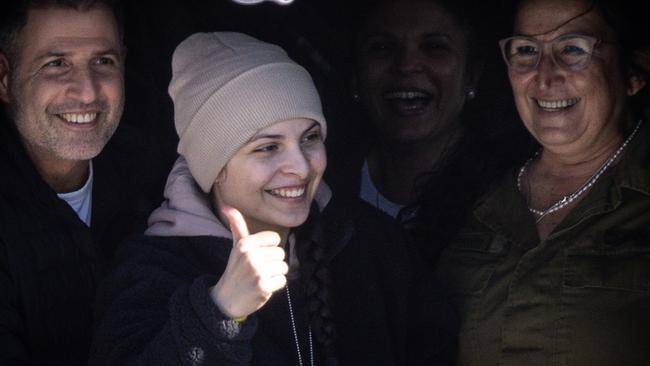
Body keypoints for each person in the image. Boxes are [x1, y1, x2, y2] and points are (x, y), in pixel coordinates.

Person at [91, 32, 456, 366]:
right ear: (213, 166)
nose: (300, 166)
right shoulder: (150, 269)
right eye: (267, 147)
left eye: (310, 138)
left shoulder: (372, 243)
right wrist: (221, 311)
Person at [435, 0, 650, 364]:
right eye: (526, 50)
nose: (545, 75)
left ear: (634, 72)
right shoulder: (469, 189)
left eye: (572, 49)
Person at [0, 1, 166, 364]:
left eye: (102, 62)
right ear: (4, 77)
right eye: (57, 64)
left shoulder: (154, 173)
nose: (88, 92)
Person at [326, 0, 525, 263]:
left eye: (434, 47)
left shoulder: (517, 193)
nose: (407, 65)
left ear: (472, 75)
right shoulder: (321, 184)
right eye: (383, 48)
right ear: (355, 75)